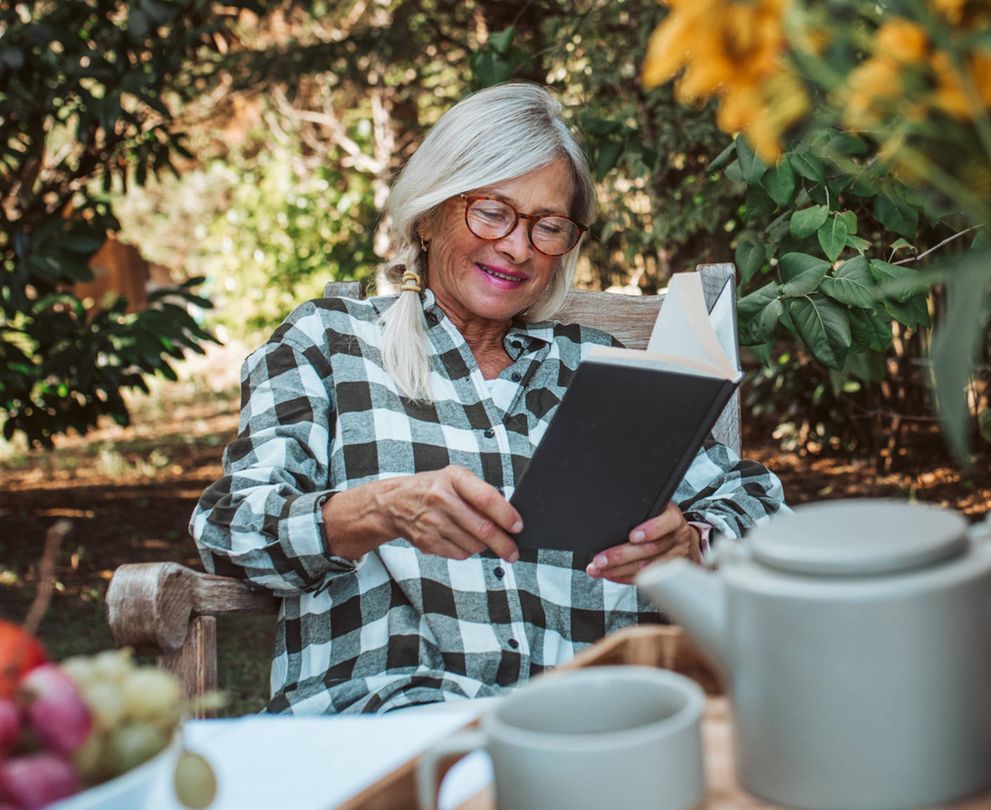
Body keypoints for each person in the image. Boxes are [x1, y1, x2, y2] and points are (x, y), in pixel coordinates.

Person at [190, 82, 788, 714]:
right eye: (493, 211)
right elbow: (230, 530)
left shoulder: (597, 369)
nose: (518, 247)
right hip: (397, 723)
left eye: (548, 226)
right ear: (428, 213)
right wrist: (376, 510)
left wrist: (693, 541)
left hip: (597, 717)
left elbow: (761, 505)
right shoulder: (330, 343)